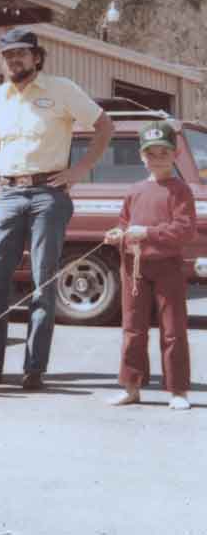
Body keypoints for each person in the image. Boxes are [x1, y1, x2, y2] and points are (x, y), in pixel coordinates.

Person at [0, 28, 113, 389]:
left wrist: (79, 171)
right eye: (8, 55)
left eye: (21, 54)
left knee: (43, 281)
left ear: (37, 57)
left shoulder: (61, 89)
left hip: (48, 195)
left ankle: (34, 368)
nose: (14, 60)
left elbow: (103, 126)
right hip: (8, 195)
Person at [103, 121, 195, 410]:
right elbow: (125, 222)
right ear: (141, 157)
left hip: (168, 266)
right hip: (134, 268)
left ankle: (177, 390)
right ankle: (131, 387)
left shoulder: (180, 190)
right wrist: (117, 234)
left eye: (163, 152)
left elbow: (184, 229)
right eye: (150, 153)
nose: (157, 159)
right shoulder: (135, 190)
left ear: (175, 153)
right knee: (132, 328)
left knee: (173, 329)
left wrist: (148, 233)